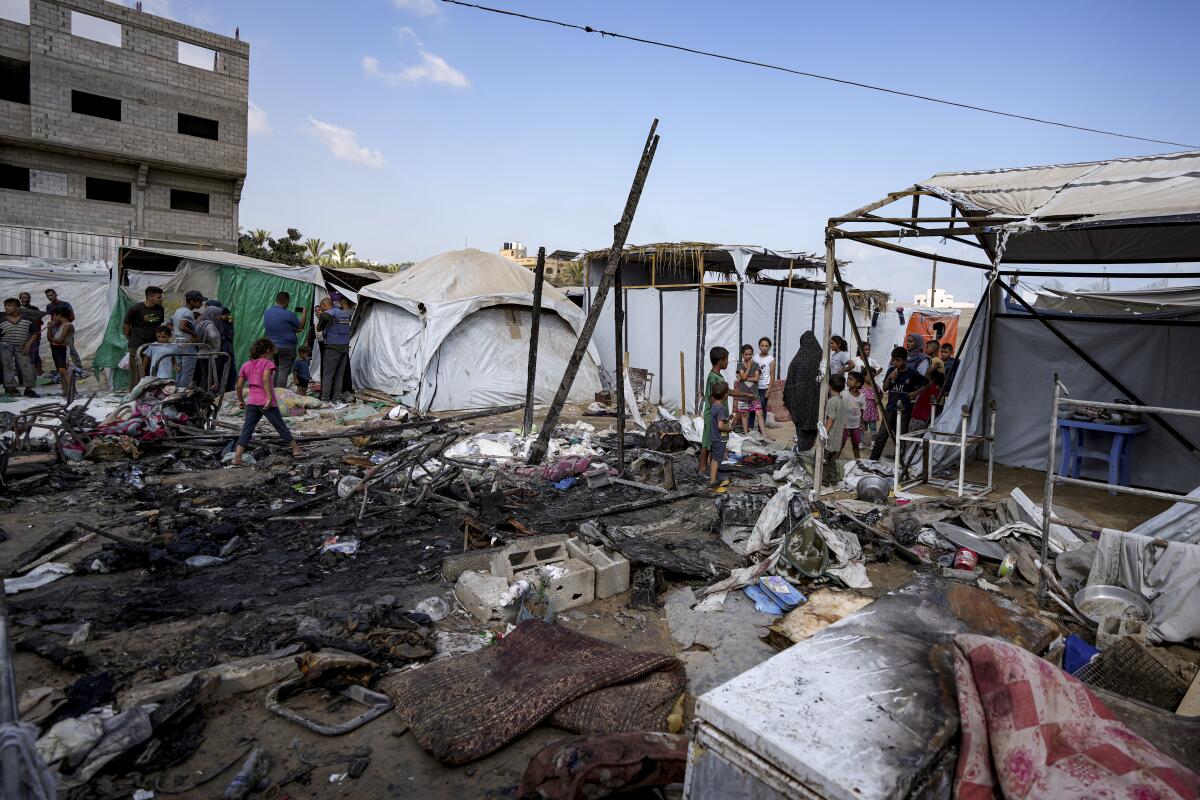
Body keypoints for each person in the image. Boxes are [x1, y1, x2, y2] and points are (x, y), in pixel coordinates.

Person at [232, 338, 303, 466]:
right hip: (266, 402)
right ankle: (296, 449)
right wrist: (269, 397)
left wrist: (241, 401)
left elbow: (238, 386)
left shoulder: (246, 365)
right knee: (280, 426)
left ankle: (237, 458)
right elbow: (265, 378)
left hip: (252, 402)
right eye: (272, 352)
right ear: (268, 351)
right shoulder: (267, 363)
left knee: (247, 430)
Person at [699, 346, 755, 476]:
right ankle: (703, 469)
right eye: (727, 360)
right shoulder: (713, 378)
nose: (728, 362)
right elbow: (712, 398)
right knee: (707, 443)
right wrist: (721, 416)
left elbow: (728, 391)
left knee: (711, 443)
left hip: (716, 416)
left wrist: (747, 395)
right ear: (721, 361)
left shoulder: (718, 376)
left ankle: (709, 468)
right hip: (712, 417)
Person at [869, 346, 929, 461]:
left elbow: (926, 383)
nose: (895, 362)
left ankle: (899, 460)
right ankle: (873, 460)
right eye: (894, 360)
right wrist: (889, 378)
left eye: (898, 360)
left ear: (905, 360)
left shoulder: (911, 373)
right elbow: (885, 388)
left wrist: (915, 393)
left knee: (900, 436)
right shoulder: (891, 371)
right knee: (881, 436)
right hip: (890, 409)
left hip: (904, 410)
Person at [783, 331, 822, 452]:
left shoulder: (797, 360)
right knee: (815, 430)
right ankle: (808, 452)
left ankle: (803, 452)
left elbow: (789, 382)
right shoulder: (822, 358)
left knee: (802, 433)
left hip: (799, 405)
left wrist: (788, 400)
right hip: (816, 405)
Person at [263, 292, 306, 389]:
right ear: (286, 301)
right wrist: (304, 313)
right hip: (286, 347)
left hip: (272, 347)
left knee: (276, 369)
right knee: (283, 370)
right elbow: (301, 326)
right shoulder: (288, 314)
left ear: (276, 300)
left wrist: (290, 330)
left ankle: (273, 392)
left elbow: (277, 327)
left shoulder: (267, 312)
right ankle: (280, 395)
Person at [123, 286, 165, 383]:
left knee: (152, 372)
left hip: (153, 346)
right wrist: (131, 339)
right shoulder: (136, 308)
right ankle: (134, 395)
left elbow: (159, 325)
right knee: (137, 374)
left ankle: (148, 395)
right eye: (158, 297)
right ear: (150, 297)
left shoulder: (160, 309)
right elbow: (126, 326)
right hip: (137, 346)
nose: (161, 299)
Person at [1, 297, 38, 397]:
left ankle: (28, 389)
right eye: (5, 306)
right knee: (8, 366)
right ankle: (12, 388)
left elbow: (35, 333)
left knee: (27, 366)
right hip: (5, 346)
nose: (6, 308)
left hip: (22, 346)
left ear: (17, 307)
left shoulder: (27, 319)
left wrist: (28, 344)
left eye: (9, 306)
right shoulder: (2, 320)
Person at [317, 297, 352, 402]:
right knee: (339, 375)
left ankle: (325, 398)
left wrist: (320, 319)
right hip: (345, 348)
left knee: (328, 374)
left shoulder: (327, 314)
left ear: (324, 305)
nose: (322, 309)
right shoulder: (345, 314)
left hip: (332, 347)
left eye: (322, 307)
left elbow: (319, 328)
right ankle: (337, 398)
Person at [171, 290, 206, 388]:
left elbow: (169, 324)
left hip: (177, 342)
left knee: (180, 371)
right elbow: (182, 326)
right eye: (199, 301)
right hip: (186, 344)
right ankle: (182, 394)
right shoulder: (188, 312)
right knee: (188, 372)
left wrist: (177, 332)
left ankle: (176, 391)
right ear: (192, 302)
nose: (201, 304)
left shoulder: (179, 310)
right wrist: (194, 334)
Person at [735, 344, 767, 436]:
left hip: (754, 395)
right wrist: (748, 368)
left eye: (750, 354)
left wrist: (742, 378)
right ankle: (746, 434)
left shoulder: (756, 365)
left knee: (759, 414)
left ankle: (764, 435)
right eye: (746, 354)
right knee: (744, 415)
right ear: (742, 355)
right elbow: (744, 376)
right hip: (743, 395)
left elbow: (756, 379)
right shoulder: (740, 365)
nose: (748, 356)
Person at [45, 289, 80, 369]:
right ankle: (60, 367)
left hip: (65, 329)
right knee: (55, 348)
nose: (49, 297)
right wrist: (53, 325)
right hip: (54, 329)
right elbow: (51, 318)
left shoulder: (65, 304)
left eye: (51, 295)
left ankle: (78, 367)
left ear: (56, 294)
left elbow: (72, 317)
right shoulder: (49, 306)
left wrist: (64, 324)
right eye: (47, 296)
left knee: (70, 348)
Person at [822, 374, 848, 483]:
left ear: (829, 386)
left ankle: (824, 480)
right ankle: (833, 480)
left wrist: (823, 434)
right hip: (838, 439)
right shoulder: (842, 401)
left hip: (830, 438)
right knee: (832, 461)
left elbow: (830, 420)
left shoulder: (832, 401)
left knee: (822, 460)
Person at [193, 305, 224, 392]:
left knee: (205, 375)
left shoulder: (200, 324)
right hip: (210, 354)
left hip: (202, 354)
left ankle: (203, 393)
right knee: (208, 377)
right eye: (217, 315)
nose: (219, 317)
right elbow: (213, 336)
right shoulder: (210, 324)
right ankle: (206, 394)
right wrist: (211, 344)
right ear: (212, 314)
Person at [707, 380, 731, 487]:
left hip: (713, 437)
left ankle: (713, 476)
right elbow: (720, 426)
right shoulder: (721, 408)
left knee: (714, 457)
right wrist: (729, 428)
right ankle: (712, 480)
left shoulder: (714, 406)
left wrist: (728, 418)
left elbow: (718, 420)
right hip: (719, 438)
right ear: (725, 395)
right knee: (716, 459)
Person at [47, 307, 74, 395]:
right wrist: (49, 329)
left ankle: (71, 391)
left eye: (54, 316)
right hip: (58, 349)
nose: (53, 318)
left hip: (63, 349)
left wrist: (52, 338)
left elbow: (59, 340)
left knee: (63, 370)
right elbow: (51, 339)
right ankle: (65, 391)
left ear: (59, 315)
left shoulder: (67, 325)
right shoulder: (61, 326)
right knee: (61, 371)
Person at [750, 336, 775, 429]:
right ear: (759, 346)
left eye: (766, 346)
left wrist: (769, 389)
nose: (764, 347)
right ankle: (750, 427)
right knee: (752, 408)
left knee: (763, 408)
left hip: (764, 387)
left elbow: (772, 375)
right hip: (755, 386)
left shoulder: (771, 359)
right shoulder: (755, 358)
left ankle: (761, 428)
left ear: (769, 347)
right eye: (762, 345)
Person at [17, 292, 43, 376]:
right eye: (23, 297)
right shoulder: (17, 309)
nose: (26, 299)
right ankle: (23, 373)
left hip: (33, 335)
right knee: (20, 354)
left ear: (30, 299)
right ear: (20, 299)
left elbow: (40, 322)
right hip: (20, 335)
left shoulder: (35, 308)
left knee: (35, 354)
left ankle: (38, 371)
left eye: (28, 297)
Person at [842, 371, 865, 460]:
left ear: (858, 383)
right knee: (841, 444)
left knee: (855, 444)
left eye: (851, 379)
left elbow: (862, 411)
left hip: (855, 425)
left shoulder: (862, 396)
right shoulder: (844, 393)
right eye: (848, 379)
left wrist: (862, 423)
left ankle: (858, 461)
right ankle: (834, 461)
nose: (848, 381)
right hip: (844, 424)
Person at [860, 366, 880, 446]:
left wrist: (877, 401)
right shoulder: (860, 387)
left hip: (873, 412)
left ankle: (873, 442)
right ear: (864, 376)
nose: (871, 378)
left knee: (873, 428)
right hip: (862, 412)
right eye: (869, 376)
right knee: (861, 428)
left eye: (873, 376)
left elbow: (881, 394)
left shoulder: (875, 386)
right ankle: (860, 442)